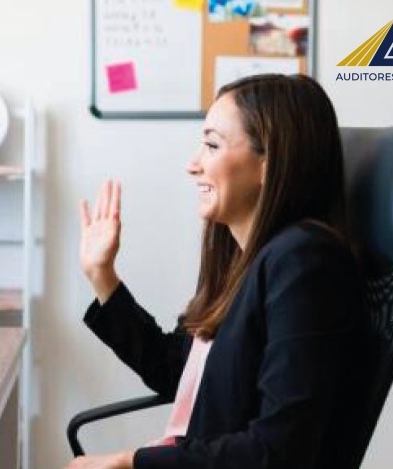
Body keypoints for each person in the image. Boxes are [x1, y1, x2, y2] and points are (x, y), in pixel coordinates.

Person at [67, 74, 364, 469]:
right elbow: (179, 372)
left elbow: (278, 453)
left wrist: (126, 462)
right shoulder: (245, 258)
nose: (193, 165)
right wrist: (102, 275)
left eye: (211, 145)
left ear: (268, 162)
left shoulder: (304, 263)